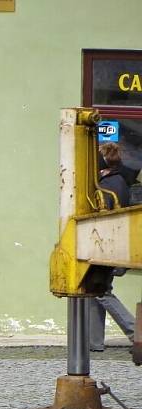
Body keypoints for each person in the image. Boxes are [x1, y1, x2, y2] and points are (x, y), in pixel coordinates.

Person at [89, 143, 136, 351]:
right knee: (93, 291)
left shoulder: (108, 184)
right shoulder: (119, 181)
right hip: (112, 244)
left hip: (104, 246)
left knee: (101, 291)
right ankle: (94, 341)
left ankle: (134, 331)